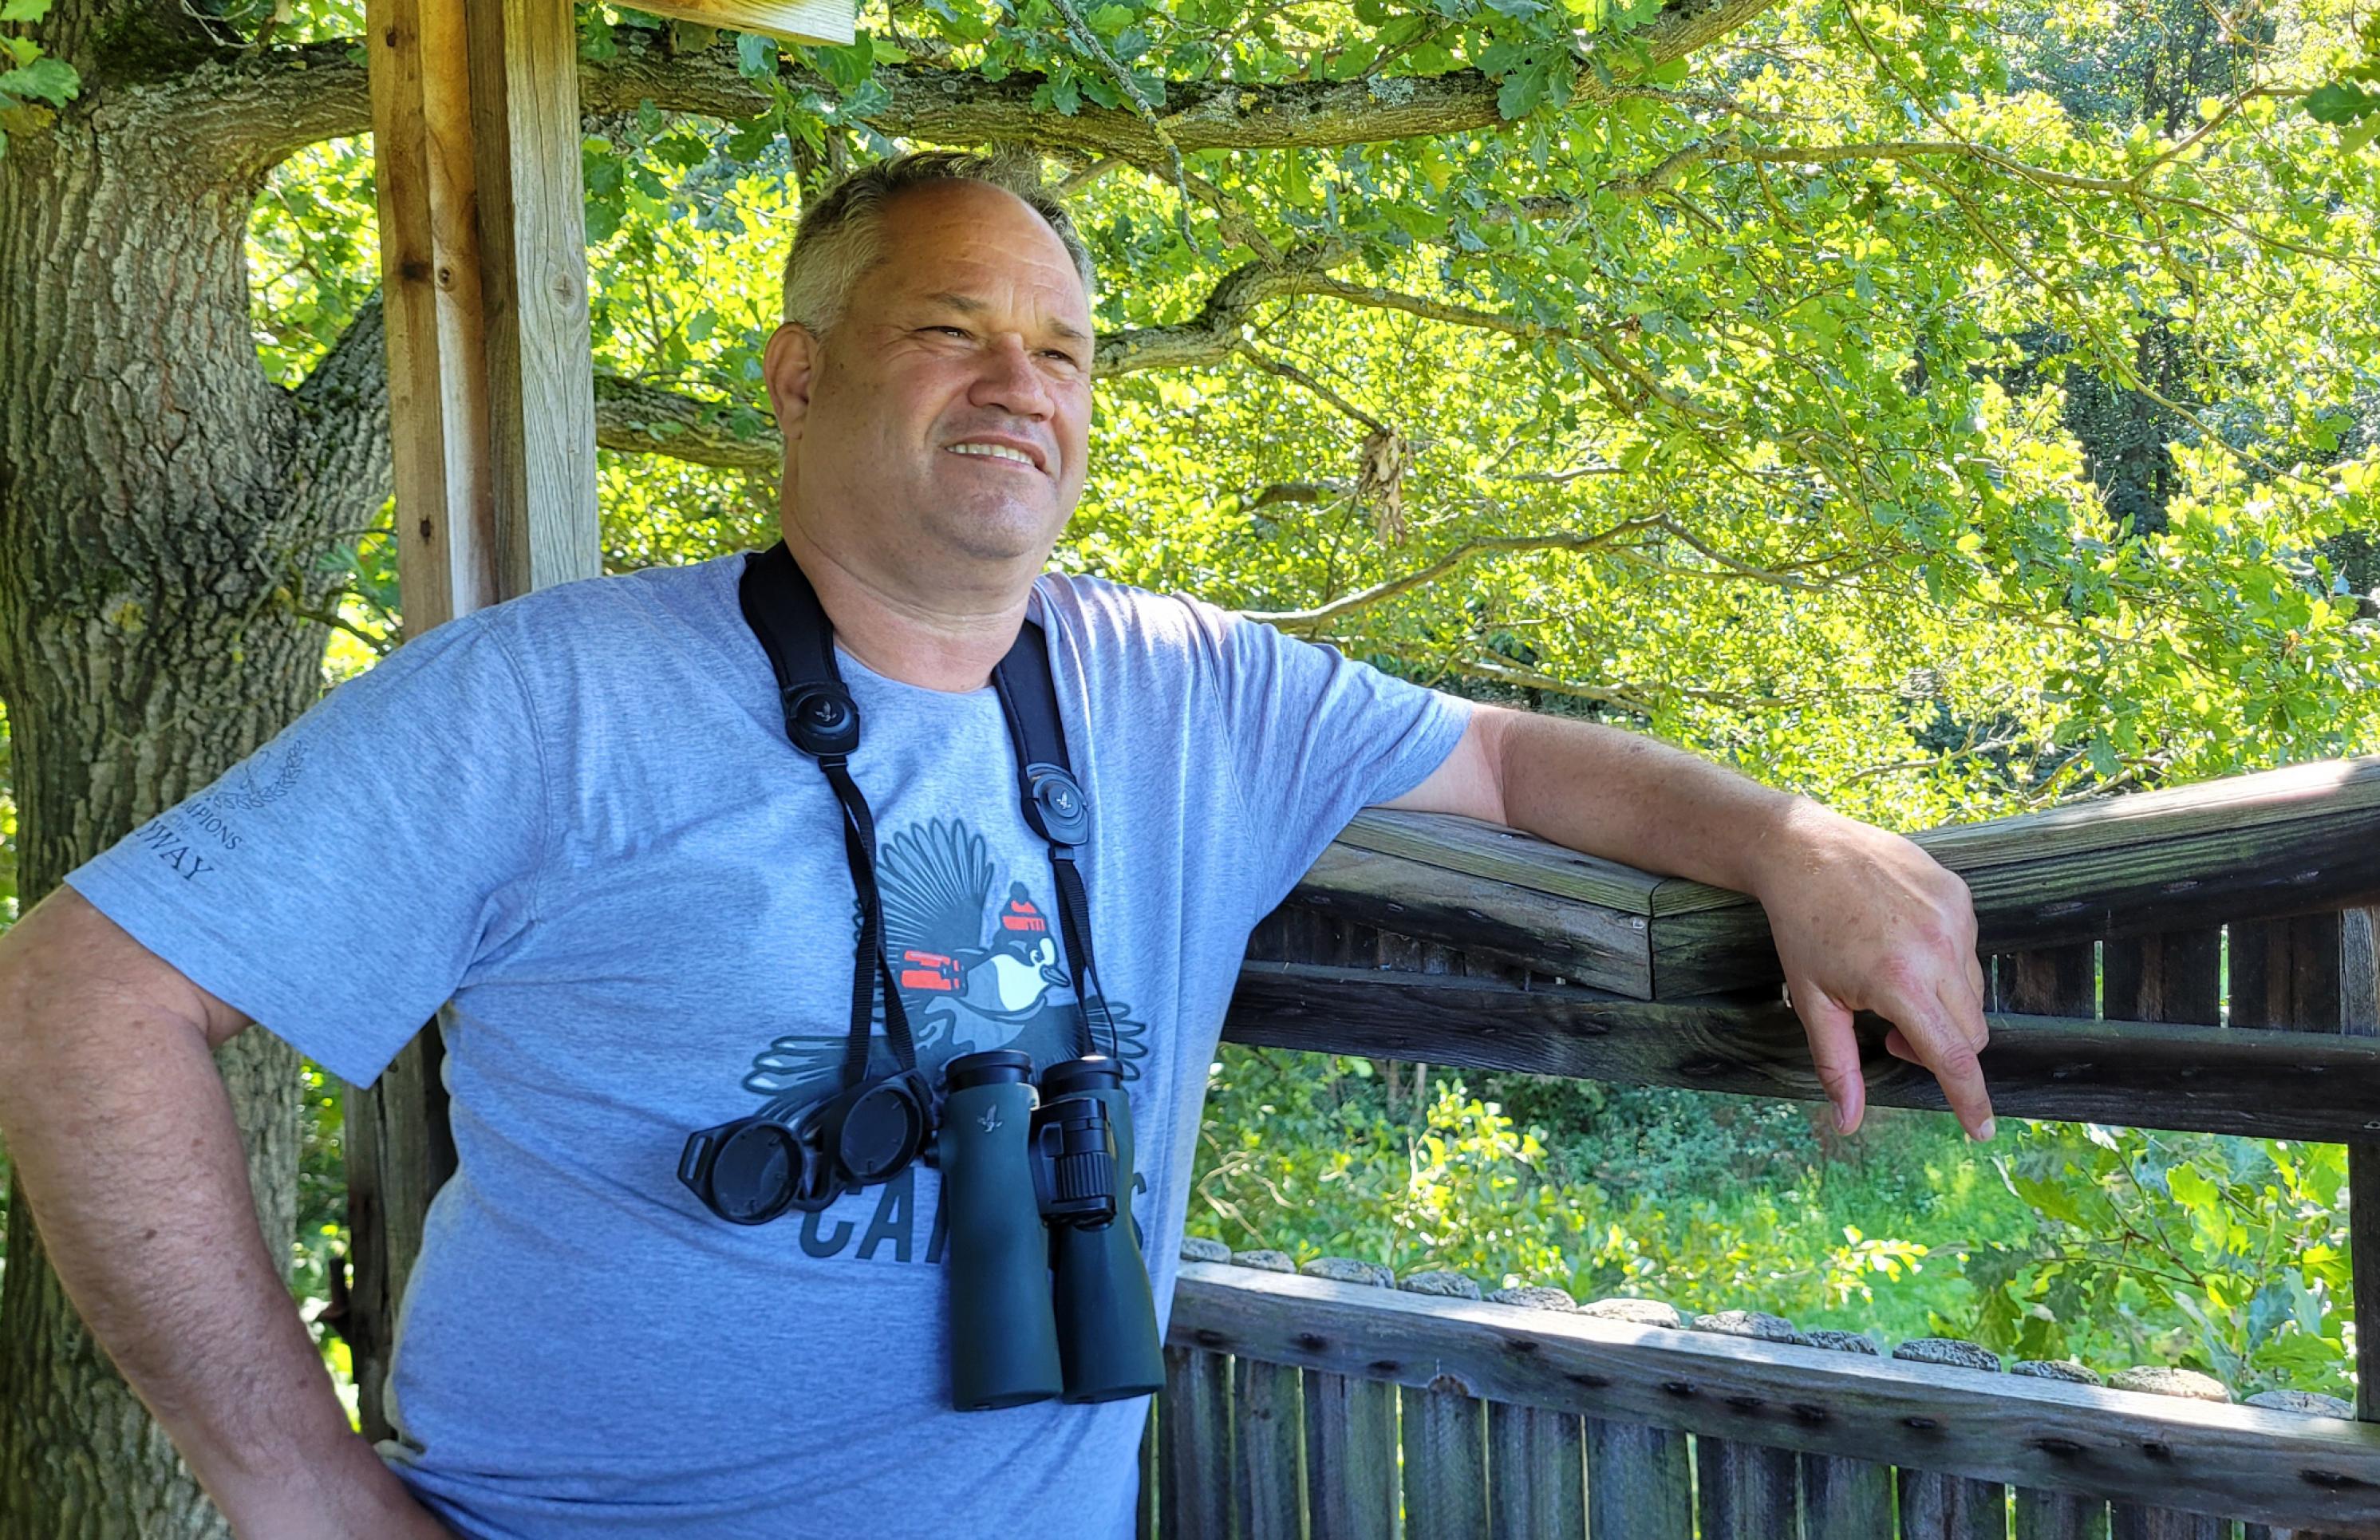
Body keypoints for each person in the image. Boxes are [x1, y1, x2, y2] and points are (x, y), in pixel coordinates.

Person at [0, 152, 1992, 1539]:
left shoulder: (1182, 688)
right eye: (952, 330)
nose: (1018, 386)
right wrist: (293, 1480)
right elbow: (81, 993)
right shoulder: (554, 695)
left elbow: (1509, 756)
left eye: (1060, 349)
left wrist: (1794, 837)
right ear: (796, 377)